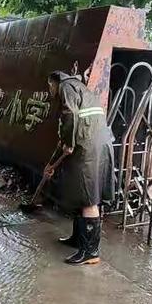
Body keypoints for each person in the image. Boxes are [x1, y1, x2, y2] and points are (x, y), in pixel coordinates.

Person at [45, 71, 115, 265]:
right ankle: (79, 239)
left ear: (54, 82)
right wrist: (60, 148)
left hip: (89, 146)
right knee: (80, 192)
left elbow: (71, 114)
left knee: (88, 196)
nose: (49, 91)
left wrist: (69, 142)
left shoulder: (65, 87)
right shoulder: (79, 88)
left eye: (49, 86)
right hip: (95, 142)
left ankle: (91, 252)